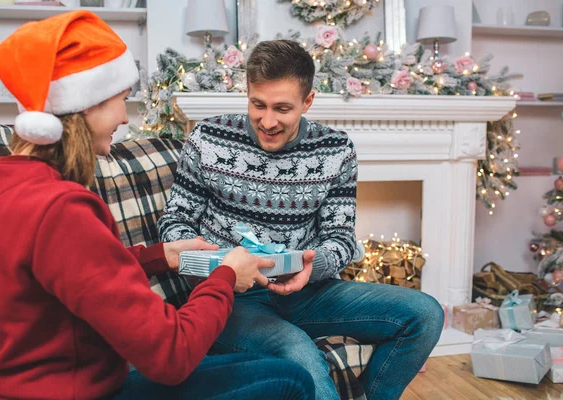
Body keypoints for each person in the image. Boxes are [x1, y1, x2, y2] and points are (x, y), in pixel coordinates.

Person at [0, 12, 315, 400]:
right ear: (85, 106)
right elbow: (171, 356)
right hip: (78, 391)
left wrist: (159, 256)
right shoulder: (62, 209)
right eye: (120, 100)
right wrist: (226, 277)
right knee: (291, 380)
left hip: (29, 382)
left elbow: (66, 274)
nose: (122, 117)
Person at [158, 39, 445, 400]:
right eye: (257, 104)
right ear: (246, 92)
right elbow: (175, 224)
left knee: (425, 314)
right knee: (301, 355)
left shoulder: (336, 149)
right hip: (233, 297)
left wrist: (314, 265)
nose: (267, 121)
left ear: (307, 101)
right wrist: (220, 264)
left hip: (308, 291)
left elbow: (341, 238)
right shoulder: (208, 138)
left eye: (282, 108)